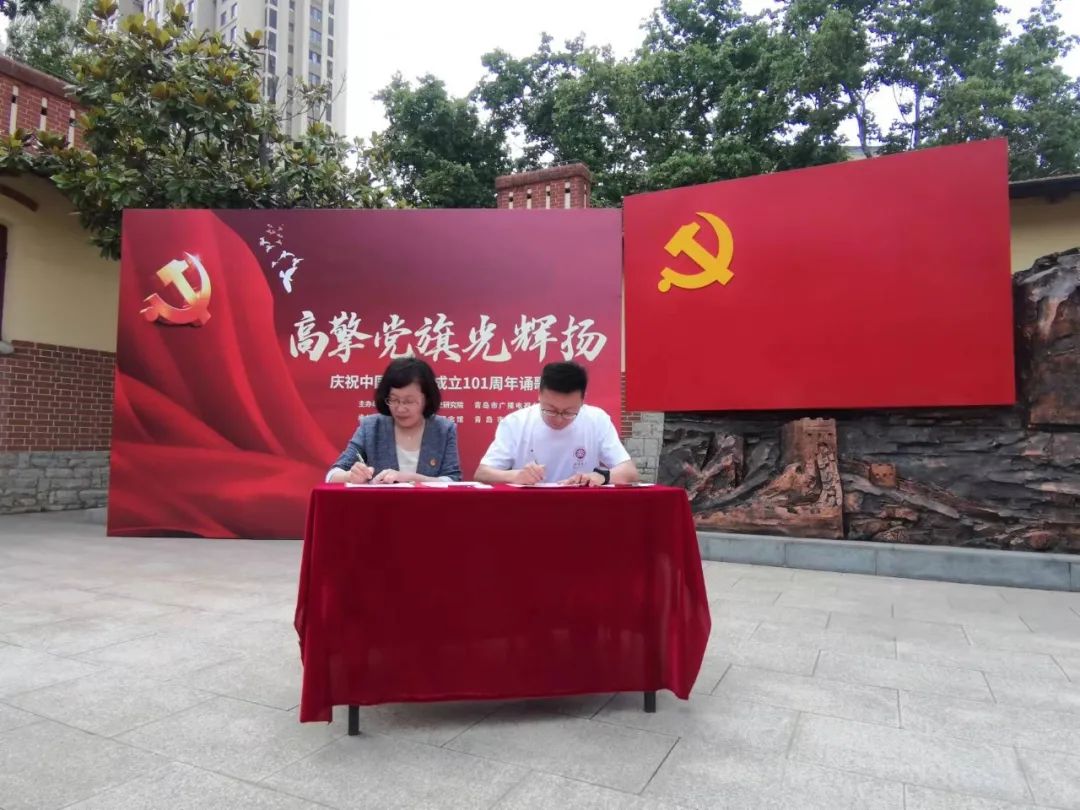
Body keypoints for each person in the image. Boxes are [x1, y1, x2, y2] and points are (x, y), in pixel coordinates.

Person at [474, 361, 640, 486]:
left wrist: (601, 477)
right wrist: (515, 476)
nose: (559, 419)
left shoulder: (597, 420)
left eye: (568, 412)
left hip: (580, 510)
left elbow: (630, 472)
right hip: (528, 509)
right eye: (551, 410)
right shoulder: (515, 423)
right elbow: (482, 474)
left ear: (583, 399)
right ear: (539, 395)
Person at [327, 357, 461, 484]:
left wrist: (412, 479)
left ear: (427, 399)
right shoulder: (370, 427)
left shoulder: (444, 429)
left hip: (429, 502)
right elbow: (332, 475)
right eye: (394, 400)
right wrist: (350, 476)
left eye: (409, 401)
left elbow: (453, 480)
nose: (400, 409)